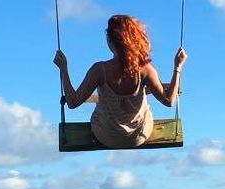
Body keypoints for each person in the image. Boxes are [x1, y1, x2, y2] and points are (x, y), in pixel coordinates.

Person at [53, 14, 187, 148]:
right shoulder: (146, 70)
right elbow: (169, 101)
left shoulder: (99, 70)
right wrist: (177, 67)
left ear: (110, 42)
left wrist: (63, 69)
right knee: (142, 99)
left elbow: (72, 102)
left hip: (106, 135)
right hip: (139, 135)